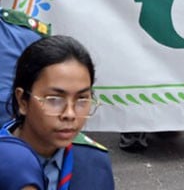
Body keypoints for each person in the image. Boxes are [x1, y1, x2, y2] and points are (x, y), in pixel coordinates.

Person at [0, 36, 115, 190]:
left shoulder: (93, 163)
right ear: (22, 100)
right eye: (54, 99)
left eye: (82, 99)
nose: (70, 114)